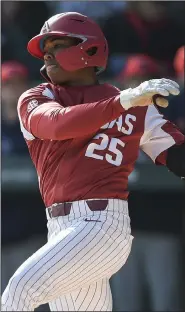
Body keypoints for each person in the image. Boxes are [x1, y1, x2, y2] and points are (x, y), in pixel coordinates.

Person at [2, 12, 185, 312]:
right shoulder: (39, 95)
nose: (47, 54)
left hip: (100, 225)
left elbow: (177, 156)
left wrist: (131, 103)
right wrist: (124, 102)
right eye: (45, 47)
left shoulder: (135, 104)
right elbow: (57, 125)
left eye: (57, 44)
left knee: (19, 292)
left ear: (89, 49)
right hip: (60, 228)